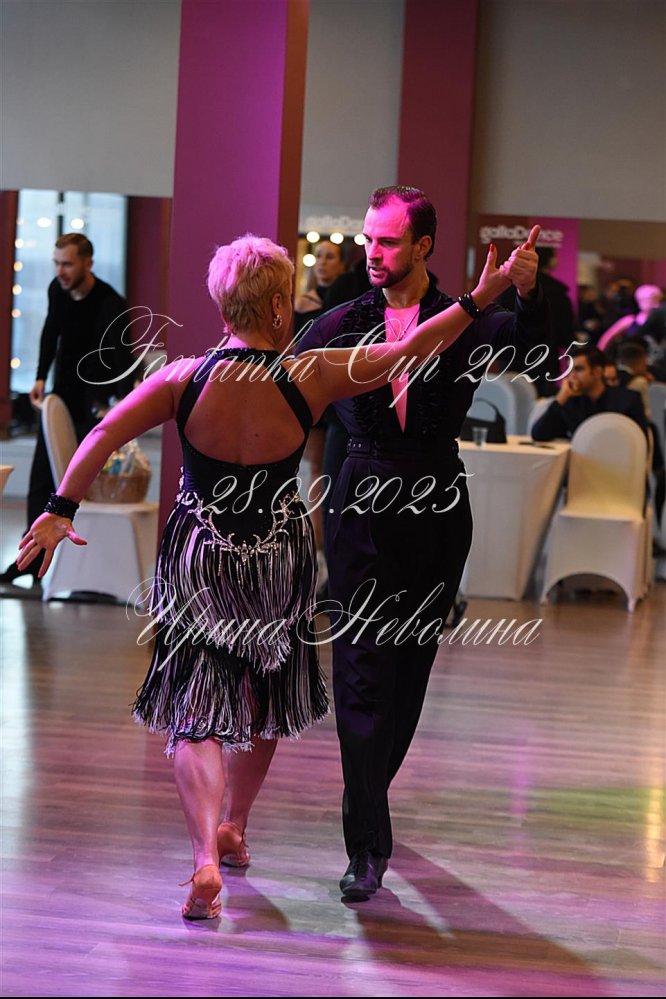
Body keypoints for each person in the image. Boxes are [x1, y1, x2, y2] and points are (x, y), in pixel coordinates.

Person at [17, 232, 516, 918]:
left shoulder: (183, 377)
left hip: (200, 551)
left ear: (222, 304)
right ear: (281, 306)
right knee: (266, 694)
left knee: (194, 707)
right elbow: (410, 351)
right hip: (277, 554)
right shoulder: (311, 374)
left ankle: (204, 856)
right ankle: (235, 824)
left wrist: (57, 509)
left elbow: (103, 435)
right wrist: (477, 300)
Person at [296, 185, 548, 901]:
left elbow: (534, 351)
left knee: (407, 675)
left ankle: (370, 801)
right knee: (359, 672)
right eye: (369, 239)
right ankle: (366, 845)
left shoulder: (468, 319)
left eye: (387, 241)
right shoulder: (342, 322)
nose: (372, 252)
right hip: (359, 503)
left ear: (423, 245)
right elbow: (285, 389)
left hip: (437, 506)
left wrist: (529, 292)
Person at [1, 233, 135, 585]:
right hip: (61, 398)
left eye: (68, 264)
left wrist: (120, 411)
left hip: (93, 406)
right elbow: (50, 333)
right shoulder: (56, 290)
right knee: (40, 482)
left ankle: (81, 570)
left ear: (88, 264)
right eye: (56, 263)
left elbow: (125, 361)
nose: (60, 271)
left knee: (74, 486)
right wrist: (40, 376)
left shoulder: (111, 303)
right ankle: (28, 562)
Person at [531, 344, 648, 441]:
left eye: (578, 369)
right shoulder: (570, 402)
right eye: (569, 370)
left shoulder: (628, 399)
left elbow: (641, 444)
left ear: (597, 371)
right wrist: (560, 399)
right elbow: (539, 435)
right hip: (580, 460)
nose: (572, 376)